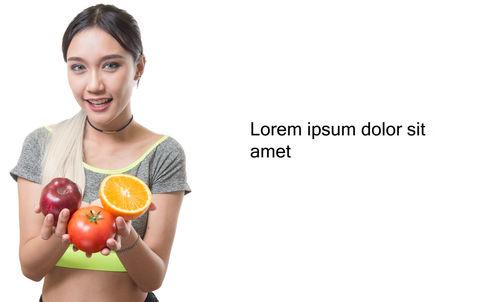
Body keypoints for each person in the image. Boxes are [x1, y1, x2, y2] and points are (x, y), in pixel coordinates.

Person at [10, 4, 191, 302]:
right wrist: (65, 228)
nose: (93, 85)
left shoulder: (163, 154)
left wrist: (126, 237)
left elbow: (152, 278)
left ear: (139, 66)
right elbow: (30, 268)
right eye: (78, 67)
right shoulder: (41, 143)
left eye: (110, 65)